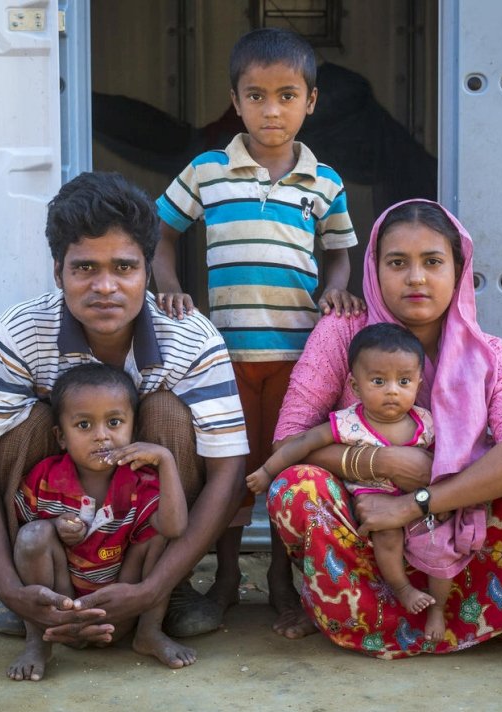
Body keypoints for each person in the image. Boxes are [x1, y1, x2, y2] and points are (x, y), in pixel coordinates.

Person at [266, 199, 502, 658]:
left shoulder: (488, 355)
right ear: (374, 267)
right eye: (397, 262)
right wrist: (381, 460)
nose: (416, 278)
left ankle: (467, 612)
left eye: (432, 262)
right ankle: (357, 610)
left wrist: (416, 502)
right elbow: (289, 440)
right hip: (365, 519)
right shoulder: (341, 334)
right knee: (294, 488)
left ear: (459, 269)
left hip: (453, 521)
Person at [0, 171, 249, 651]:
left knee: (166, 415)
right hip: (54, 532)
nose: (106, 287)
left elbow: (228, 471)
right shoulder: (21, 331)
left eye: (124, 267)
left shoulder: (192, 338)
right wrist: (10, 586)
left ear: (148, 270)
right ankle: (37, 596)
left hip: (148, 548)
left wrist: (154, 585)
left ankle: (165, 594)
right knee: (31, 422)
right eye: (85, 268)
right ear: (58, 272)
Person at [152, 27, 365, 621]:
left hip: (299, 363)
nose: (272, 110)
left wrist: (337, 288)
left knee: (283, 471)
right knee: (230, 475)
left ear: (311, 101)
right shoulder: (208, 171)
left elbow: (342, 252)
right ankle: (222, 583)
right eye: (256, 95)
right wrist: (167, 285)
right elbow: (161, 234)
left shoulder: (326, 183)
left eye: (287, 95)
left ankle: (280, 583)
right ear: (235, 99)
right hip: (224, 362)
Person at [248, 322, 467, 640]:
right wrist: (268, 471)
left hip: (419, 504)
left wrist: (443, 498)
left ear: (419, 382)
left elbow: (447, 462)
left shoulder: (427, 422)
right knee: (388, 536)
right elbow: (303, 442)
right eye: (378, 381)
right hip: (372, 505)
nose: (392, 390)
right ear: (355, 383)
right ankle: (401, 589)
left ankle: (437, 610)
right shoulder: (349, 422)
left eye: (403, 381)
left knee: (443, 546)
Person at [8, 363, 192, 679]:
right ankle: (37, 641)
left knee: (160, 535)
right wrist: (54, 528)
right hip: (62, 610)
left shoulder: (141, 481)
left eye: (114, 422)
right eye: (83, 425)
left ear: (133, 431)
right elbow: (18, 537)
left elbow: (175, 528)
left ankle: (149, 632)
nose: (101, 436)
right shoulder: (45, 478)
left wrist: (165, 459)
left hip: (123, 607)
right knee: (32, 535)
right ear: (60, 437)